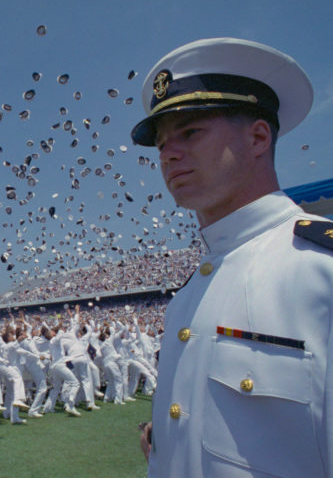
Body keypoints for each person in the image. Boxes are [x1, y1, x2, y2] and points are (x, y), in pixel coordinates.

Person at [132, 38, 332, 477]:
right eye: (161, 143)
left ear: (258, 137)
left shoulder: (320, 271)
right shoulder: (191, 292)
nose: (168, 154)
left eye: (190, 132)